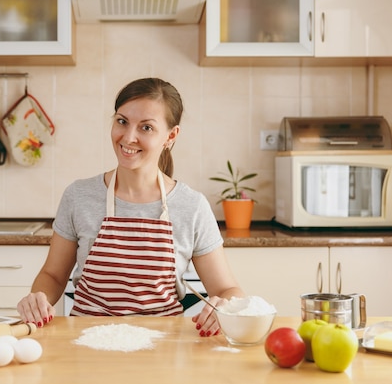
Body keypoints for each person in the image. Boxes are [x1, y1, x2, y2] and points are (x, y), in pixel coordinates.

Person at [17, 77, 245, 337]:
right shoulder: (79, 196)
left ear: (171, 136)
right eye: (122, 121)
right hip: (85, 342)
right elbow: (53, 275)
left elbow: (227, 289)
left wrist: (224, 305)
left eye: (146, 128)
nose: (128, 137)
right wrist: (38, 299)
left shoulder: (191, 206)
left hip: (162, 347)